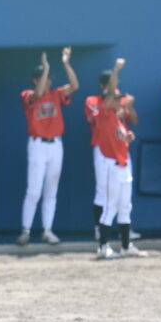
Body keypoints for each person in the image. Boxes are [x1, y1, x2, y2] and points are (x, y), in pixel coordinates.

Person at [16, 48, 79, 246]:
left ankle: (47, 230)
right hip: (37, 144)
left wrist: (66, 64)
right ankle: (26, 230)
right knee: (34, 190)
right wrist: (45, 68)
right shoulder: (28, 94)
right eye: (44, 78)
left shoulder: (57, 94)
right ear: (36, 79)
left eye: (49, 78)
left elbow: (75, 86)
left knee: (51, 190)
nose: (49, 81)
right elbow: (38, 93)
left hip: (55, 144)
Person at [91, 59, 147, 259]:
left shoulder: (117, 118)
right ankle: (103, 247)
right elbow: (111, 91)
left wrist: (128, 137)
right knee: (110, 206)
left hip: (123, 166)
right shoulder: (105, 113)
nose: (118, 100)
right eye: (115, 98)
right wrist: (115, 69)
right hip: (110, 166)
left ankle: (125, 246)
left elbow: (122, 137)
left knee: (125, 206)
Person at [85, 70, 140, 243]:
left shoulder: (120, 100)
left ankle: (125, 236)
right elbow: (98, 120)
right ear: (102, 85)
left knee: (124, 197)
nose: (114, 90)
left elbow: (133, 121)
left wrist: (126, 107)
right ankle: (99, 231)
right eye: (110, 84)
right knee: (103, 192)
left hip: (121, 149)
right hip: (103, 150)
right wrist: (117, 108)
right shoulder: (94, 101)